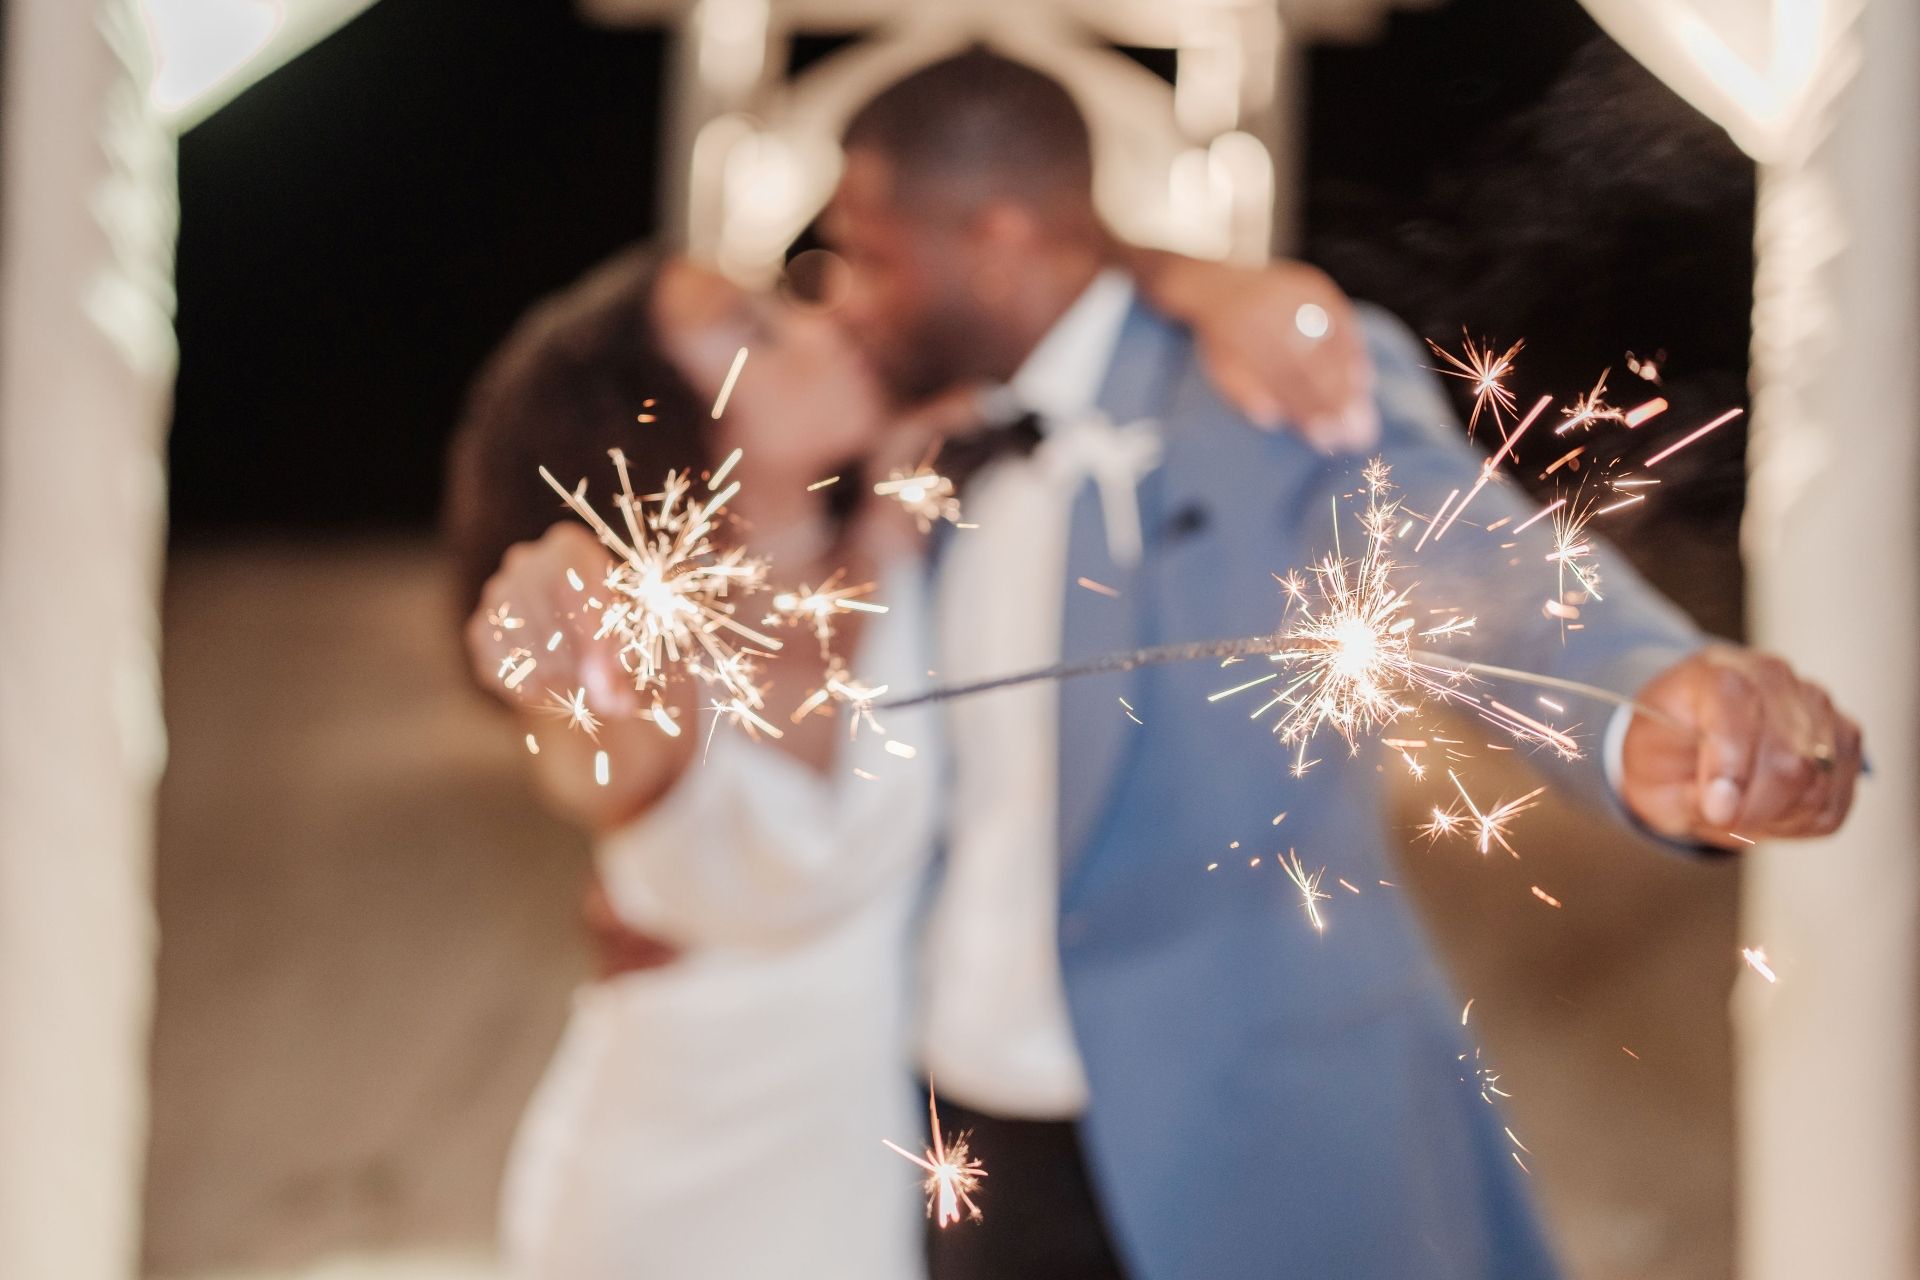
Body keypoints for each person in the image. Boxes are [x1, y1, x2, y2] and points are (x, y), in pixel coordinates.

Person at [816, 48, 1864, 1280]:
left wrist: (1647, 701)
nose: (844, 297)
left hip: (1258, 1145)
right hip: (970, 1145)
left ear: (994, 237)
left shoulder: (1267, 376)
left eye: (870, 256)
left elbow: (1476, 571)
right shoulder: (920, 441)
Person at [448, 239, 1376, 1278]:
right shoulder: (647, 677)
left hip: (868, 1194)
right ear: (655, 425)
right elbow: (584, 720)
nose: (819, 320)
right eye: (752, 329)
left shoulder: (902, 532)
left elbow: (1046, 256)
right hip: (664, 1195)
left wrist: (1226, 286)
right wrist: (550, 604)